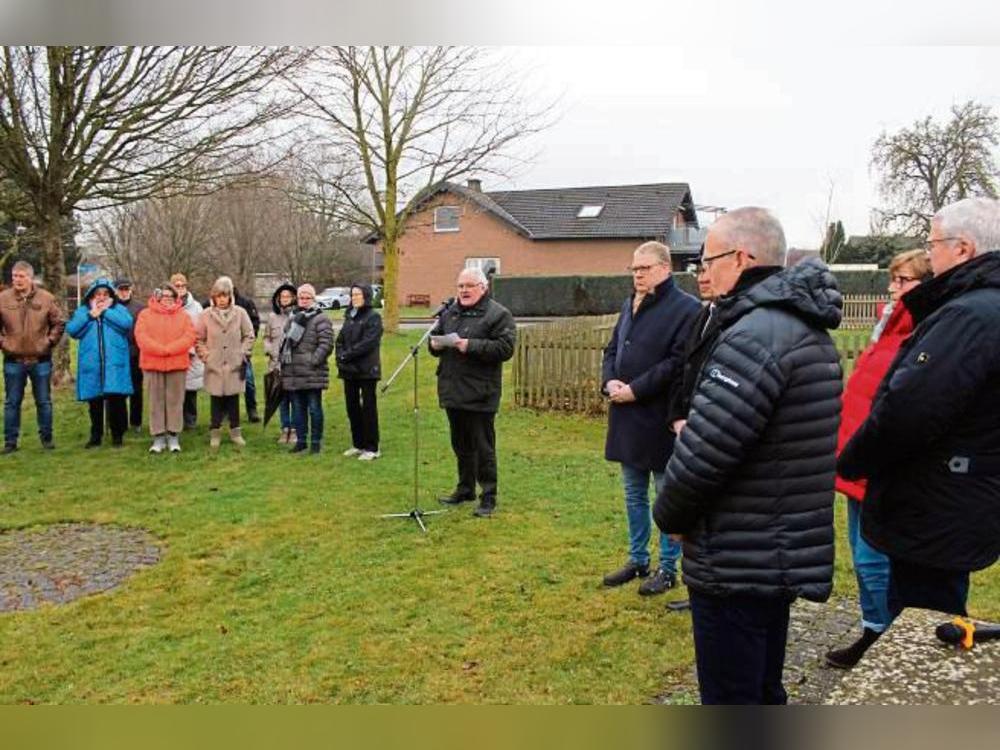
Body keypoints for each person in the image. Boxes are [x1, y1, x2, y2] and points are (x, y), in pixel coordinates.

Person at [653, 207, 842, 705]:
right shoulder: (802, 326)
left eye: (708, 260)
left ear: (741, 258)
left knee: (732, 697)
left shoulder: (754, 336)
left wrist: (670, 516)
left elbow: (705, 453)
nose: (703, 271)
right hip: (774, 548)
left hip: (735, 556)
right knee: (763, 687)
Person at [839, 197, 1000, 622]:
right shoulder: (983, 307)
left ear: (962, 248)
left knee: (921, 618)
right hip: (961, 491)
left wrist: (855, 460)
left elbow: (909, 409)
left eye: (934, 245)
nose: (930, 255)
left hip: (936, 501)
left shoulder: (968, 315)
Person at [825, 248, 931, 669]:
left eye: (903, 281)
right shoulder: (887, 328)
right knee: (859, 553)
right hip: (858, 462)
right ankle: (873, 630)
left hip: (880, 468)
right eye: (893, 279)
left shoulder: (922, 333)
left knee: (875, 561)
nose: (892, 288)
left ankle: (889, 644)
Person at [601, 241, 700, 595]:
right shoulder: (630, 303)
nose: (637, 274)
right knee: (633, 493)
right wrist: (609, 381)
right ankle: (638, 559)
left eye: (644, 268)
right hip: (626, 416)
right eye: (634, 269)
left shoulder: (686, 308)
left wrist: (636, 390)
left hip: (660, 416)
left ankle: (668, 567)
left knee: (664, 495)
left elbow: (677, 362)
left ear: (665, 268)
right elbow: (613, 348)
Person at [430, 267, 516, 518]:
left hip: (481, 392)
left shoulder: (498, 314)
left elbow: (505, 348)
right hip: (452, 389)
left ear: (483, 287)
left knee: (483, 448)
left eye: (469, 286)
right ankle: (465, 488)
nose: (464, 291)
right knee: (461, 445)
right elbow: (436, 340)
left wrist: (470, 345)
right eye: (460, 286)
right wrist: (435, 345)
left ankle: (488, 496)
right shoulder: (450, 312)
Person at [661, 258, 717, 613]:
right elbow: (684, 369)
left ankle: (701, 584)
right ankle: (694, 583)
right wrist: (677, 416)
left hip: (709, 430)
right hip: (688, 424)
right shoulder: (702, 314)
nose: (702, 277)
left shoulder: (734, 322)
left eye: (709, 269)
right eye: (699, 270)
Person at [1, 260, 66, 452]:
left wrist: (49, 342)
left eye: (21, 276)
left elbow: (59, 323)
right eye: (14, 276)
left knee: (44, 402)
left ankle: (47, 439)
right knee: (12, 403)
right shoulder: (3, 298)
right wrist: (4, 343)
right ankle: (10, 442)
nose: (17, 280)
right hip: (13, 360)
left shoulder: (46, 298)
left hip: (40, 360)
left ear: (30, 277)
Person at [66, 278, 134, 448]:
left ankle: (117, 436)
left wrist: (105, 312)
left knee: (117, 400)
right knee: (95, 402)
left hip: (114, 363)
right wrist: (91, 315)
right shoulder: (83, 311)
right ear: (91, 296)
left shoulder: (118, 309)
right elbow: (72, 330)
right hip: (92, 363)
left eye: (105, 294)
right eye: (98, 294)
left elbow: (127, 324)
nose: (101, 297)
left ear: (111, 296)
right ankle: (96, 436)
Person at [134, 283, 197, 453]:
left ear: (176, 298)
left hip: (177, 364)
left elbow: (189, 336)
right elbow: (141, 336)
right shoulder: (145, 315)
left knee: (175, 401)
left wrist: (170, 349)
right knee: (156, 401)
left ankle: (173, 435)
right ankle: (158, 437)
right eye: (164, 296)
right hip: (152, 364)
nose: (167, 299)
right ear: (158, 297)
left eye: (171, 296)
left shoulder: (183, 316)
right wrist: (160, 350)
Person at [195, 276, 255, 450]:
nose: (222, 300)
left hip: (234, 363)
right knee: (216, 401)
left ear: (230, 296)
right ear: (213, 297)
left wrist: (242, 353)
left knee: (233, 400)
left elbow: (249, 335)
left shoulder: (240, 313)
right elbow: (199, 339)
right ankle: (215, 433)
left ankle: (236, 433)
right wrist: (206, 356)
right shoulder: (205, 315)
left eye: (225, 295)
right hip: (214, 364)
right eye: (218, 296)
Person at [280, 284, 334, 454]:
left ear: (313, 299)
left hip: (312, 372)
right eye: (301, 297)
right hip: (294, 371)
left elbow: (326, 344)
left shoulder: (321, 318)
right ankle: (301, 441)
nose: (303, 300)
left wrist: (313, 361)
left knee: (314, 408)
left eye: (307, 297)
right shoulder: (293, 318)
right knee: (298, 409)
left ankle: (316, 442)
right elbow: (286, 342)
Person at [336, 284, 383, 460]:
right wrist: (340, 355)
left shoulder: (373, 317)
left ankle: (372, 447)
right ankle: (358, 443)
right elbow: (340, 340)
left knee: (368, 407)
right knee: (352, 406)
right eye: (353, 294)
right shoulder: (349, 316)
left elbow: (368, 343)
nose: (354, 298)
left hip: (367, 369)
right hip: (349, 370)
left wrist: (347, 355)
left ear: (366, 296)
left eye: (358, 294)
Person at [265, 283, 298, 445]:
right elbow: (267, 337)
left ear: (293, 298)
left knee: (295, 399)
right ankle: (285, 428)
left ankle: (295, 429)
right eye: (282, 296)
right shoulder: (272, 317)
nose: (284, 299)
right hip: (276, 365)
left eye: (288, 296)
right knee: (282, 400)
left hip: (293, 366)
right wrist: (270, 350)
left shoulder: (298, 316)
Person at [171, 273, 204, 430]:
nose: (180, 289)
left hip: (191, 352)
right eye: (177, 286)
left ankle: (190, 421)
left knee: (190, 390)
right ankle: (175, 420)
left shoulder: (196, 307)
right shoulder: (167, 305)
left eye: (183, 286)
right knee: (175, 390)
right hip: (173, 352)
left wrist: (191, 349)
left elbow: (199, 330)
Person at [115, 278, 146, 433]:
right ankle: (119, 423)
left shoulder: (140, 308)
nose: (124, 292)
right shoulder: (111, 307)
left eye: (126, 289)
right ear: (116, 291)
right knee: (117, 391)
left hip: (135, 354)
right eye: (121, 289)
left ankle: (136, 422)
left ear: (131, 290)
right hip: (116, 354)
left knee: (136, 389)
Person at [234, 286, 261, 423]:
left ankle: (252, 409)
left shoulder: (246, 304)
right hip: (223, 352)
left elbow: (254, 325)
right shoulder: (214, 304)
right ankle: (226, 412)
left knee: (248, 381)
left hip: (242, 351)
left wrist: (247, 346)